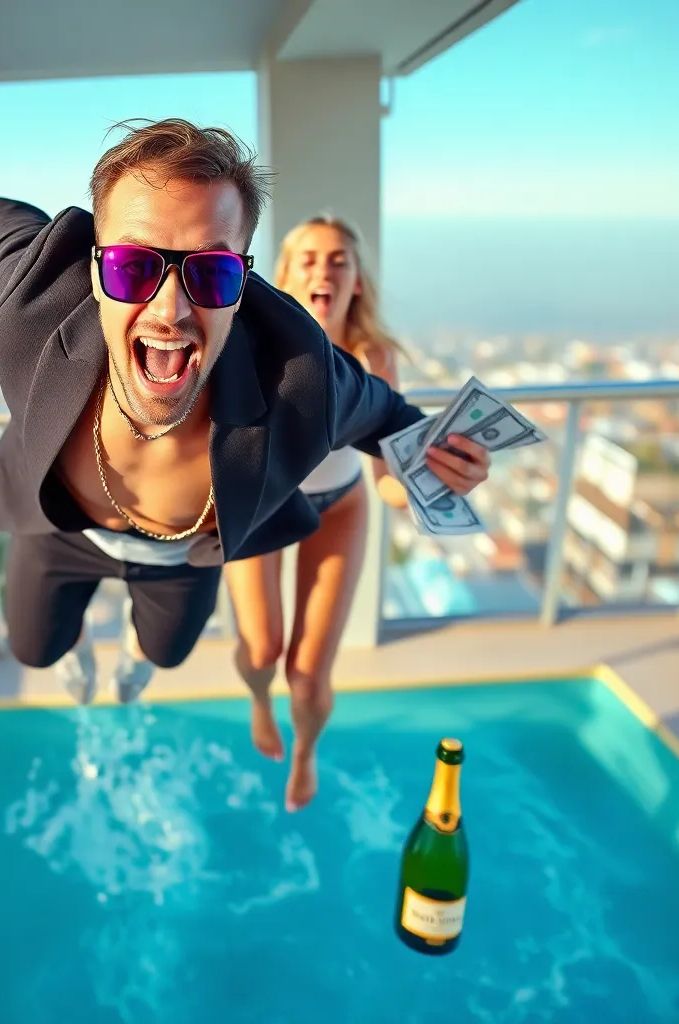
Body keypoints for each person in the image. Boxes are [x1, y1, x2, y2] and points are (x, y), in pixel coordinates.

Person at [0, 118, 490, 711]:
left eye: (210, 273)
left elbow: (385, 415)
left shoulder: (299, 373)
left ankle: (137, 644)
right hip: (59, 530)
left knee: (167, 653)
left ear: (243, 278)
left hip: (179, 552)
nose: (170, 310)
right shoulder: (36, 289)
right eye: (132, 268)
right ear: (93, 267)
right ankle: (75, 638)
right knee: (35, 648)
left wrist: (440, 452)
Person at [225, 216, 423, 812]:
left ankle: (306, 750)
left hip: (340, 507)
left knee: (309, 675)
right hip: (263, 505)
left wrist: (420, 493)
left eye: (339, 259)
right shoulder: (257, 342)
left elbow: (387, 476)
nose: (324, 269)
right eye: (309, 257)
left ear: (357, 281)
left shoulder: (375, 357)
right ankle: (259, 700)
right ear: (286, 275)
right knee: (262, 653)